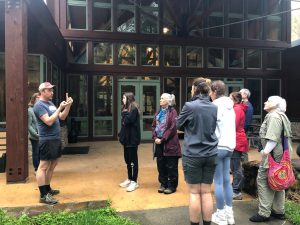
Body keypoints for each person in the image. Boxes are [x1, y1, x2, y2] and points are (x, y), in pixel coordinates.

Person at [177, 77, 218, 225]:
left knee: (194, 192)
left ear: (195, 89)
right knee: (206, 192)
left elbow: (178, 124)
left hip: (193, 153)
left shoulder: (189, 106)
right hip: (211, 152)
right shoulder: (214, 107)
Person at [249, 96, 293, 222]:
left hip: (273, 156)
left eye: (268, 101)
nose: (265, 102)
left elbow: (273, 138)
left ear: (275, 104)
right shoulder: (281, 115)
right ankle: (279, 211)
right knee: (279, 179)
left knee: (263, 180)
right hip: (282, 155)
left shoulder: (273, 116)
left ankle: (264, 213)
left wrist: (265, 151)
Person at [33, 82, 73, 205]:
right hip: (47, 139)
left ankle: (47, 188)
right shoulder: (39, 105)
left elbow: (61, 117)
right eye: (49, 90)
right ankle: (43, 195)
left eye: (52, 90)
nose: (52, 92)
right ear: (43, 91)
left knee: (53, 164)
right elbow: (49, 121)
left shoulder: (50, 103)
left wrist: (68, 106)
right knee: (43, 166)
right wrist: (60, 107)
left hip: (55, 138)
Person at [210, 81, 236, 225]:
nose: (209, 94)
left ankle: (220, 216)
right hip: (229, 147)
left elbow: (212, 127)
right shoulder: (230, 106)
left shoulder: (215, 106)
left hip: (218, 147)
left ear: (214, 91)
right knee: (227, 181)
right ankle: (229, 214)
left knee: (218, 182)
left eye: (210, 91)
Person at [152, 93, 181, 194]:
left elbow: (172, 128)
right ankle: (163, 183)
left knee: (171, 166)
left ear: (168, 101)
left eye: (162, 98)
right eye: (160, 98)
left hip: (170, 143)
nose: (160, 100)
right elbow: (154, 126)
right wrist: (155, 137)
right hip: (159, 143)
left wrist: (162, 139)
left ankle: (172, 186)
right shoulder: (158, 112)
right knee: (161, 165)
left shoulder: (173, 112)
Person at [118, 92, 141, 192]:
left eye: (123, 98)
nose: (122, 99)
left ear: (128, 99)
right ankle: (129, 178)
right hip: (126, 139)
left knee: (133, 161)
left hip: (132, 139)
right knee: (127, 160)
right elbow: (124, 123)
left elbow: (127, 121)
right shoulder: (125, 109)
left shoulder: (134, 109)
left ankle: (134, 182)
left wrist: (124, 115)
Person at [230, 92, 248, 200]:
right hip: (237, 139)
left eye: (230, 98)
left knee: (236, 166)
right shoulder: (238, 108)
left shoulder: (236, 109)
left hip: (237, 140)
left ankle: (236, 191)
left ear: (235, 100)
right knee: (234, 166)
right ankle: (235, 188)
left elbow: (233, 125)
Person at [28, 92, 40, 172]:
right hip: (35, 137)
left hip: (42, 136)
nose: (39, 99)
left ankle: (41, 168)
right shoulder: (30, 110)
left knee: (41, 153)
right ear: (34, 99)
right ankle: (36, 169)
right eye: (37, 98)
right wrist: (36, 134)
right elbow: (29, 125)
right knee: (36, 153)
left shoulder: (40, 108)